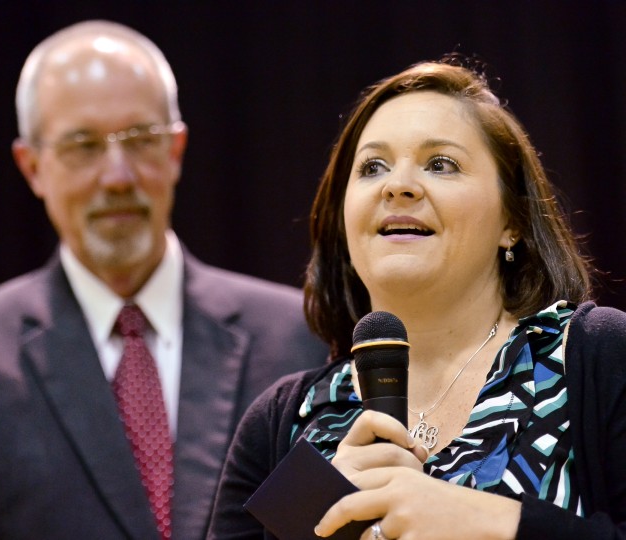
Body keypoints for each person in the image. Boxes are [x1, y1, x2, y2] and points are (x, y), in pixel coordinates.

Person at [0, 20, 328, 540]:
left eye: (141, 139)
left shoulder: (302, 338)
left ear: (176, 150)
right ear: (32, 165)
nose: (117, 176)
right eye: (83, 145)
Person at [207, 57, 626, 539]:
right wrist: (315, 520)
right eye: (372, 167)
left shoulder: (599, 357)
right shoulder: (279, 423)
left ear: (512, 221)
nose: (398, 186)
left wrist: (491, 522)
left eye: (440, 164)